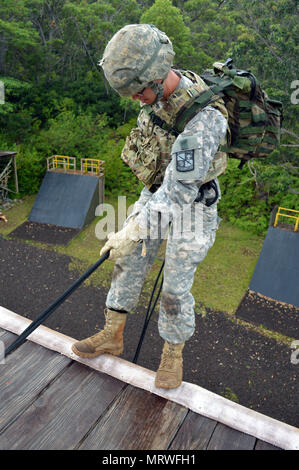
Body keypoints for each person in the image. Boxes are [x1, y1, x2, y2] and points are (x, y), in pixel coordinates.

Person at [72, 24, 228, 390]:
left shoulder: (204, 117)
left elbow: (179, 191)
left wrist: (135, 229)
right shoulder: (155, 95)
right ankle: (113, 334)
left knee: (174, 286)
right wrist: (133, 232)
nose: (135, 99)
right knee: (126, 260)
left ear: (158, 77)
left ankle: (172, 355)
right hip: (156, 192)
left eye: (138, 91)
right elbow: (160, 180)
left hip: (193, 204)